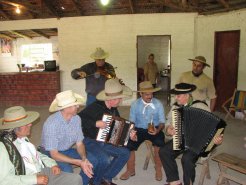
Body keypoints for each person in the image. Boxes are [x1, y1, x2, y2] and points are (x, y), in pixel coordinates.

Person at [159, 83, 223, 185]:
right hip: (180, 139)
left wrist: (217, 139)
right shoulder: (175, 107)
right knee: (164, 151)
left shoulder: (201, 106)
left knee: (187, 159)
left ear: (187, 95)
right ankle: (174, 181)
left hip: (198, 143)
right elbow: (168, 122)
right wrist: (168, 129)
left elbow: (213, 126)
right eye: (175, 95)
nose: (176, 98)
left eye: (178, 96)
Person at [0, 106, 82, 185]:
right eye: (26, 123)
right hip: (26, 178)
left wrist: (52, 164)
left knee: (76, 179)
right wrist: (35, 179)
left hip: (39, 170)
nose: (30, 124)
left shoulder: (22, 138)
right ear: (15, 128)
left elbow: (36, 154)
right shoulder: (3, 149)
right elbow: (4, 180)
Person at [78, 78, 136, 185]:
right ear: (110, 99)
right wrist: (95, 123)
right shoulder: (95, 107)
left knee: (125, 153)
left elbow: (119, 127)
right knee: (104, 159)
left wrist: (129, 134)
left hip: (105, 141)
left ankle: (105, 178)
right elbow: (77, 120)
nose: (120, 101)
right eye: (118, 98)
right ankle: (95, 182)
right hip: (89, 140)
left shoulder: (113, 108)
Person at [41, 90, 97, 185]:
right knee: (67, 171)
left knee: (92, 160)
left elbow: (79, 143)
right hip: (50, 152)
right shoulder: (51, 124)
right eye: (74, 105)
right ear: (65, 108)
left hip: (65, 149)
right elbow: (54, 154)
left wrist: (83, 159)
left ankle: (81, 182)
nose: (78, 107)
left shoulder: (76, 118)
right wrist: (78, 162)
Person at [120, 81, 165, 181]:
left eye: (151, 94)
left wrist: (158, 130)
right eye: (147, 94)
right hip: (139, 129)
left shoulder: (158, 104)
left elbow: (162, 122)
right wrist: (132, 132)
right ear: (141, 94)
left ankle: (158, 168)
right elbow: (132, 121)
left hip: (155, 128)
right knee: (128, 144)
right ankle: (130, 169)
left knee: (159, 143)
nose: (150, 96)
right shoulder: (135, 104)